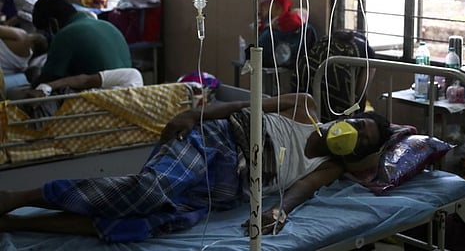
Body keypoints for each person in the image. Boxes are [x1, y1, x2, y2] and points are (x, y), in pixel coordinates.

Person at [0, 93, 391, 242]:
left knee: (143, 225)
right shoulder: (303, 105)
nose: (354, 131)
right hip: (214, 143)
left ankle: (16, 224)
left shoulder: (330, 167)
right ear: (350, 117)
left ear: (358, 153)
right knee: (150, 191)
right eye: (359, 123)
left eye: (364, 139)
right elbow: (242, 105)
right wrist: (194, 112)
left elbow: (299, 191)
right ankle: (15, 197)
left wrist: (278, 210)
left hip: (223, 193)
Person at [30, 0, 132, 86]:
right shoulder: (107, 26)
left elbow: (46, 82)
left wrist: (33, 75)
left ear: (53, 24)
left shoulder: (65, 35)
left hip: (101, 98)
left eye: (45, 32)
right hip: (129, 93)